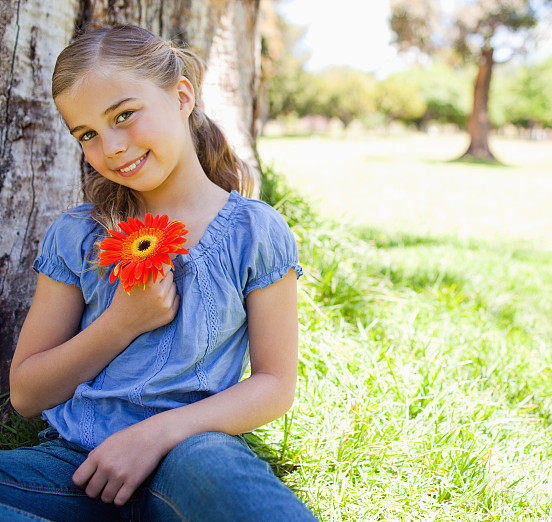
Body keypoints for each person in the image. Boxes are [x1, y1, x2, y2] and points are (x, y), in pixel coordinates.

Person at [1, 23, 318, 521]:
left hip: (193, 453)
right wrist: (122, 323)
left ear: (182, 96)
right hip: (75, 466)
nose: (112, 147)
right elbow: (26, 393)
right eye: (88, 134)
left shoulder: (254, 231)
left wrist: (154, 435)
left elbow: (275, 383)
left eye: (124, 115)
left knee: (238, 496)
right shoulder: (77, 236)